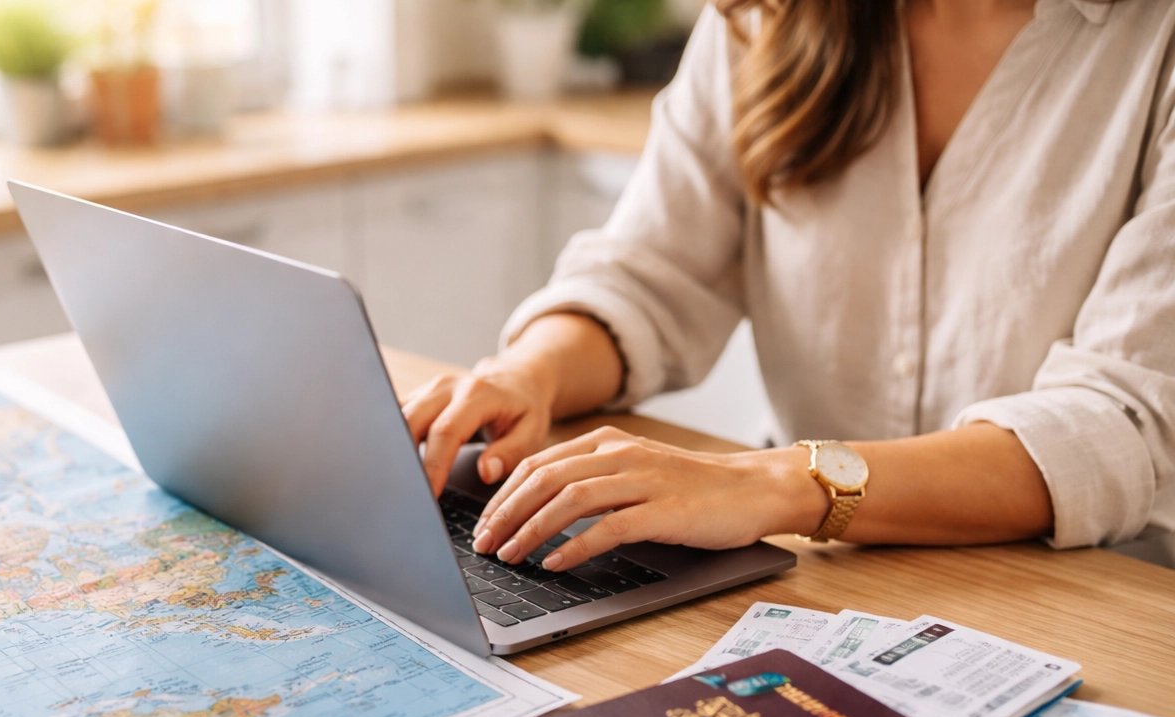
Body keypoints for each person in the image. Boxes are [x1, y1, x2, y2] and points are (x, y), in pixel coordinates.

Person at [402, 0, 1174, 574]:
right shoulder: (763, 16)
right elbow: (649, 272)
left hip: (1090, 583)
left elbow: (1119, 425)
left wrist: (774, 483)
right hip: (814, 566)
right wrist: (529, 374)